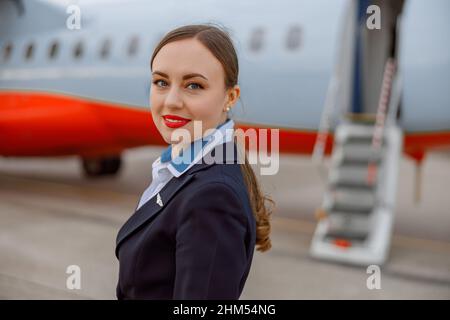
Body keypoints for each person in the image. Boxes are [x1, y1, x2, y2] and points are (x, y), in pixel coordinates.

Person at [115, 24, 274, 300]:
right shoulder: (182, 167)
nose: (172, 101)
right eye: (161, 82)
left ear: (230, 97)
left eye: (194, 85)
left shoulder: (212, 196)